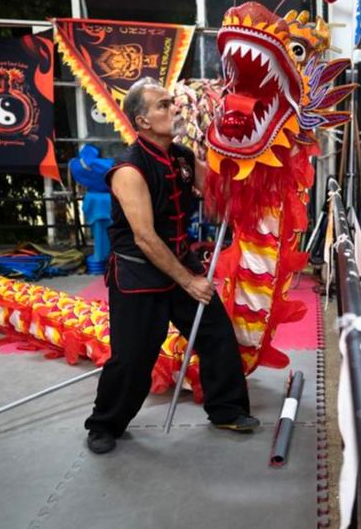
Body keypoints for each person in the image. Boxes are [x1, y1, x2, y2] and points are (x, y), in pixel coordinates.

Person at [85, 77, 259, 454]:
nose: (173, 109)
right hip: (139, 274)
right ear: (142, 120)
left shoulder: (180, 156)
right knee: (133, 359)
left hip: (180, 261)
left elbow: (217, 193)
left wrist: (240, 160)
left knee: (215, 334)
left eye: (171, 103)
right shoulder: (128, 170)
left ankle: (227, 409)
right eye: (163, 105)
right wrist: (189, 282)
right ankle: (104, 424)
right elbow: (145, 237)